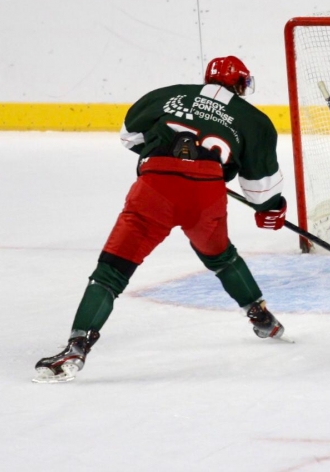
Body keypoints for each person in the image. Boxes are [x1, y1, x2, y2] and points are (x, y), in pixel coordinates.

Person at [34, 56, 288, 383]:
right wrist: (271, 208)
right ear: (241, 84)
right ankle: (261, 316)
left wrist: (162, 152)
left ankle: (77, 346)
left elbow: (130, 136)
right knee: (221, 256)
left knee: (111, 272)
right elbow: (260, 190)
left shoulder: (168, 94)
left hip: (154, 188)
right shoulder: (254, 120)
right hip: (206, 195)